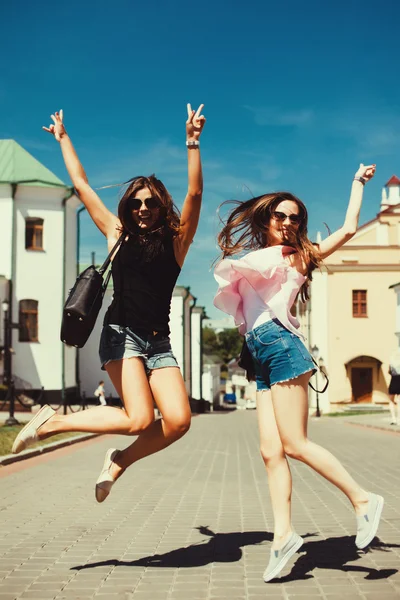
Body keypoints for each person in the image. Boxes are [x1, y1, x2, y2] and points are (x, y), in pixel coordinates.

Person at [12, 104, 206, 504]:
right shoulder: (118, 233)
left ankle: (118, 461)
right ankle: (51, 423)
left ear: (161, 206)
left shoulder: (177, 242)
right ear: (128, 209)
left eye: (150, 203)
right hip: (122, 335)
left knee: (180, 421)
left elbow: (195, 193)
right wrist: (64, 139)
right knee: (138, 418)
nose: (142, 209)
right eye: (136, 203)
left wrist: (192, 143)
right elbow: (82, 186)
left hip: (159, 343)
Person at [213, 163, 384, 582]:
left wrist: (356, 183)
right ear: (267, 219)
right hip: (258, 354)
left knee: (295, 443)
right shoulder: (256, 257)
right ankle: (284, 535)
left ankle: (363, 500)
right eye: (281, 216)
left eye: (295, 218)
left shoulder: (301, 256)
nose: (288, 223)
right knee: (270, 452)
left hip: (283, 347)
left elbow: (346, 229)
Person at [388, 347, 400, 425]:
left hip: (393, 381)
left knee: (391, 401)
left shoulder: (392, 362)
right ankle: (399, 420)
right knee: (399, 401)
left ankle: (393, 419)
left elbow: (389, 371)